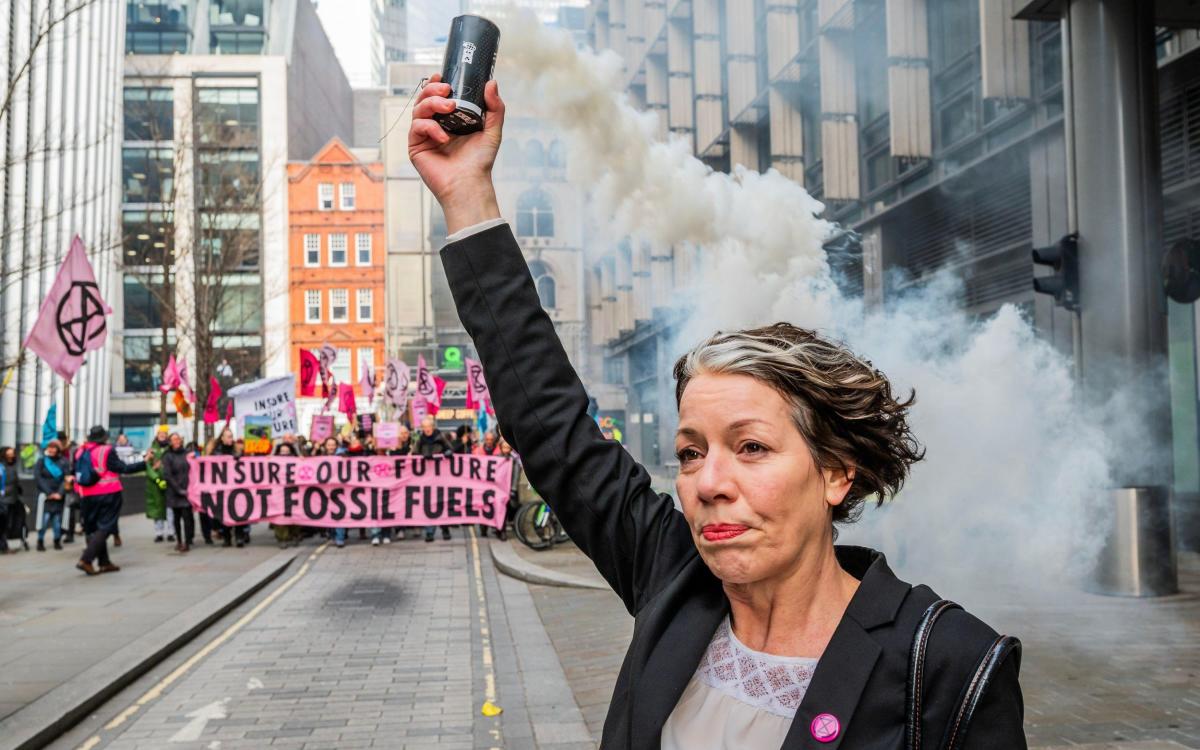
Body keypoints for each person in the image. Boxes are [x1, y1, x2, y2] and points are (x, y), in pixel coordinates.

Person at [408, 77, 1026, 748]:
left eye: (752, 447)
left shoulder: (949, 665)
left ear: (836, 473)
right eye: (691, 452)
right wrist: (467, 194)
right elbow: (551, 421)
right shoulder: (672, 580)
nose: (708, 482)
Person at [74, 426, 148, 575]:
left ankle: (104, 562)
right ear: (104, 438)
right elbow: (124, 468)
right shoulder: (107, 450)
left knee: (93, 528)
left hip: (86, 494)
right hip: (108, 493)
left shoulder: (80, 451)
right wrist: (144, 462)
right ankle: (86, 559)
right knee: (106, 527)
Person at [415, 415, 454, 542]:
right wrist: (422, 456)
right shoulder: (420, 440)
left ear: (433, 427)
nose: (427, 429)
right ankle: (429, 532)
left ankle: (445, 529)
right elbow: (414, 454)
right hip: (426, 478)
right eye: (424, 427)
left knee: (442, 503)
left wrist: (448, 453)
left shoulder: (440, 437)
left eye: (428, 426)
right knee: (428, 505)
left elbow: (450, 450)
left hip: (441, 477)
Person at [35, 440, 69, 551]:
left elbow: (66, 478)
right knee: (43, 520)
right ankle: (40, 541)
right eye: (50, 447)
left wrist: (59, 493)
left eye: (54, 447)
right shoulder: (41, 461)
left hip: (58, 496)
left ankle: (57, 540)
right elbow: (38, 478)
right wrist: (49, 493)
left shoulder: (64, 462)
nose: (51, 449)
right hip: (45, 497)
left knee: (57, 521)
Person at [162, 432, 194, 552]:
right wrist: (178, 489)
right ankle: (179, 540)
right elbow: (167, 475)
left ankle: (187, 541)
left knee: (187, 517)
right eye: (173, 439)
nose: (176, 441)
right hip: (174, 491)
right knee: (176, 518)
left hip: (187, 490)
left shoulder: (187, 454)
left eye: (178, 439)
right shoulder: (167, 456)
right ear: (170, 442)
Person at [145, 426, 174, 543]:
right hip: (155, 485)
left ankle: (171, 532)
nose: (162, 435)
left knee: (170, 508)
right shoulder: (151, 450)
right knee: (157, 508)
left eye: (164, 433)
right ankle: (159, 533)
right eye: (160, 433)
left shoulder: (171, 449)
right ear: (157, 435)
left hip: (170, 482)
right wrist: (157, 479)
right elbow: (147, 466)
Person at [271, 442, 302, 548]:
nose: (284, 453)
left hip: (293, 491)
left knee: (294, 514)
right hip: (278, 492)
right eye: (282, 451)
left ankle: (294, 535)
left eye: (287, 451)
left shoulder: (297, 460)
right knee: (279, 515)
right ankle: (282, 538)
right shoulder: (273, 461)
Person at [0, 446, 25, 553]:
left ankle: (4, 546)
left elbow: (16, 482)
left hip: (12, 500)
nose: (11, 456)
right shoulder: (2, 467)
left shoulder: (13, 466)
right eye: (8, 454)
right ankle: (3, 546)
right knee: (3, 525)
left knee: (7, 524)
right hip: (3, 500)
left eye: (12, 454)